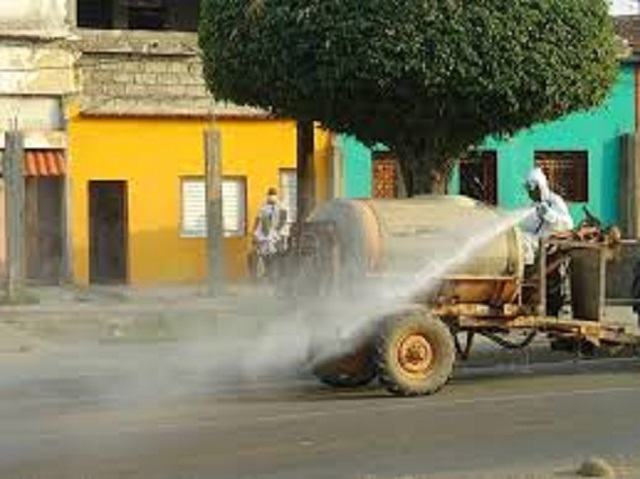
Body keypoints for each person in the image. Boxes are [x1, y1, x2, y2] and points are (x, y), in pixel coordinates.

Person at [521, 167, 574, 265]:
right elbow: (528, 226)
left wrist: (549, 214)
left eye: (531, 189)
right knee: (519, 238)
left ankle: (527, 269)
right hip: (536, 240)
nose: (529, 193)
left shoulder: (555, 201)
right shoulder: (534, 204)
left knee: (524, 241)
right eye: (527, 189)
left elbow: (568, 224)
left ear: (540, 187)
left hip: (547, 243)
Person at [252, 187, 288, 279]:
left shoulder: (281, 206)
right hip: (265, 235)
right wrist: (254, 234)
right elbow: (258, 220)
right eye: (270, 195)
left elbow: (283, 220)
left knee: (276, 255)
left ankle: (277, 274)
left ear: (276, 196)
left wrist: (277, 232)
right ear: (267, 196)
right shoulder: (263, 207)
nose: (271, 197)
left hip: (277, 235)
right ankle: (267, 272)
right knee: (264, 254)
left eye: (273, 195)